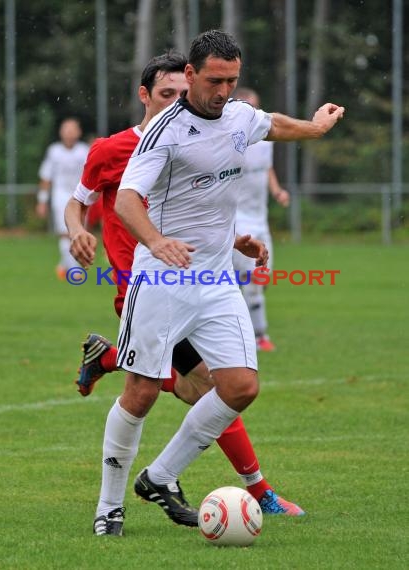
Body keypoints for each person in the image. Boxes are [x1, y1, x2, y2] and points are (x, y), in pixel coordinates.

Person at [107, 29, 344, 537]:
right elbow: (128, 199)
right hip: (162, 277)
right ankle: (109, 509)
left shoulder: (237, 113)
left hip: (215, 280)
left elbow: (270, 124)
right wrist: (156, 241)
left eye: (232, 80)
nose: (223, 91)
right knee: (141, 391)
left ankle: (160, 476)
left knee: (240, 386)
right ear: (190, 75)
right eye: (215, 80)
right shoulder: (164, 132)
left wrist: (314, 128)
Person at [64, 51, 305, 536]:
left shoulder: (200, 136)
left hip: (200, 281)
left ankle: (112, 366)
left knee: (220, 387)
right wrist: (77, 231)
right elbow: (79, 202)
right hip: (144, 284)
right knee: (179, 389)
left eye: (180, 92)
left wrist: (233, 239)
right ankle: (236, 490)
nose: (177, 100)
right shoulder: (115, 149)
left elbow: (201, 205)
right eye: (165, 93)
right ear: (144, 96)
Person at [232, 87, 290, 352]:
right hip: (238, 219)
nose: (252, 112)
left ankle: (241, 329)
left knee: (262, 277)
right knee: (251, 279)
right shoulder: (230, 140)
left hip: (260, 219)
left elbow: (266, 169)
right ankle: (257, 336)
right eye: (247, 107)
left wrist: (276, 190)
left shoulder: (265, 138)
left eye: (255, 107)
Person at [36, 118, 89, 280]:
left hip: (80, 196)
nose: (69, 133)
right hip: (61, 196)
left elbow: (91, 174)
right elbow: (46, 177)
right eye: (66, 129)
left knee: (78, 233)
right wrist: (42, 200)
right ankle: (75, 270)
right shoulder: (54, 151)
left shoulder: (84, 150)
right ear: (61, 132)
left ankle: (63, 265)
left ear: (78, 132)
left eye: (72, 129)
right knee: (65, 233)